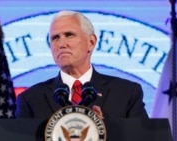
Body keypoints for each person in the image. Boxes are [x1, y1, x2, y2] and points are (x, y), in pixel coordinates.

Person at [15, 10, 148, 119]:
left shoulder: (126, 93)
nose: (61, 44)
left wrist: (105, 129)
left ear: (91, 42)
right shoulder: (31, 99)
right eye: (55, 38)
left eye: (69, 35)